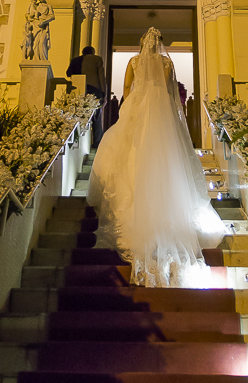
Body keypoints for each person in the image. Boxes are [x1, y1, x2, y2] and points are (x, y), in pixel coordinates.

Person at [87, 27, 225, 287]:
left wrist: (128, 108)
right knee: (166, 156)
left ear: (142, 43)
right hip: (161, 108)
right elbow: (170, 90)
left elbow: (126, 88)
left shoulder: (133, 61)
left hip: (138, 105)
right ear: (160, 44)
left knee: (132, 151)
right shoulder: (166, 63)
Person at [67, 45, 107, 145]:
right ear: (93, 52)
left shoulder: (75, 60)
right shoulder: (97, 59)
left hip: (79, 90)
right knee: (97, 116)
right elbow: (101, 76)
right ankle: (97, 141)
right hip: (95, 89)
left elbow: (68, 73)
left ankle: (78, 141)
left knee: (79, 115)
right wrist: (103, 93)